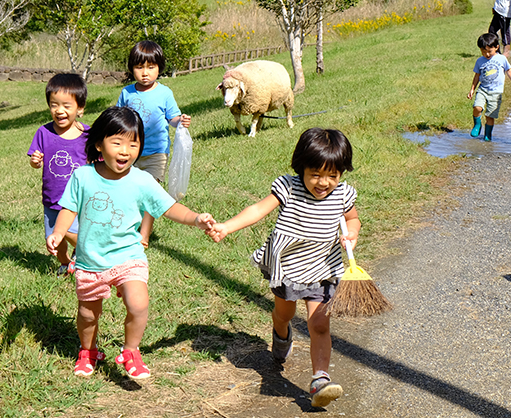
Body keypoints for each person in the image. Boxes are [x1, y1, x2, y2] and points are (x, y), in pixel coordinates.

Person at [46, 106, 215, 379]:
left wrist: (195, 219)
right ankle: (88, 351)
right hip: (91, 260)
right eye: (117, 142)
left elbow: (169, 207)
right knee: (88, 315)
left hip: (129, 256)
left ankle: (130, 351)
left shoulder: (142, 180)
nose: (125, 151)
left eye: (133, 143)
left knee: (138, 304)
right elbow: (68, 208)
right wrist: (57, 232)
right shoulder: (83, 176)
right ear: (99, 144)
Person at [208, 128, 360, 408]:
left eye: (332, 176)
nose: (324, 182)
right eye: (315, 174)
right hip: (288, 267)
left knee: (319, 324)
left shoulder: (343, 195)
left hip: (323, 267)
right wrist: (226, 227)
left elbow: (353, 219)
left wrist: (351, 232)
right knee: (284, 313)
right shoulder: (289, 188)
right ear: (300, 166)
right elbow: (257, 209)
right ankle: (281, 334)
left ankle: (320, 380)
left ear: (341, 173)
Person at [116, 41, 191, 247]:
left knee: (150, 191)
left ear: (159, 67)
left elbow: (172, 118)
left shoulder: (164, 93)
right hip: (129, 152)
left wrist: (180, 121)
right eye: (139, 67)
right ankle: (125, 227)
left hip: (157, 152)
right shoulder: (127, 93)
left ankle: (144, 236)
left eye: (151, 67)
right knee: (128, 190)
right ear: (132, 68)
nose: (145, 73)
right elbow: (118, 118)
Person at [28, 73, 89, 275]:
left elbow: (98, 160)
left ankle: (88, 254)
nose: (59, 111)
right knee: (56, 239)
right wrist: (35, 161)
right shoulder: (43, 133)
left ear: (80, 108)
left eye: (66, 105)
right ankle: (66, 263)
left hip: (78, 200)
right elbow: (35, 161)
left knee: (73, 232)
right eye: (54, 105)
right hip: (52, 198)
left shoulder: (88, 135)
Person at [467, 33, 511, 142]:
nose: (486, 54)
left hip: (496, 93)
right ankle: (477, 125)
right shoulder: (480, 61)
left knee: (490, 116)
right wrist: (472, 89)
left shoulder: (501, 59)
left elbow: (509, 71)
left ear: (496, 47)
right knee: (477, 107)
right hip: (483, 90)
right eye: (483, 51)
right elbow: (477, 75)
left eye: (489, 51)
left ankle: (488, 135)